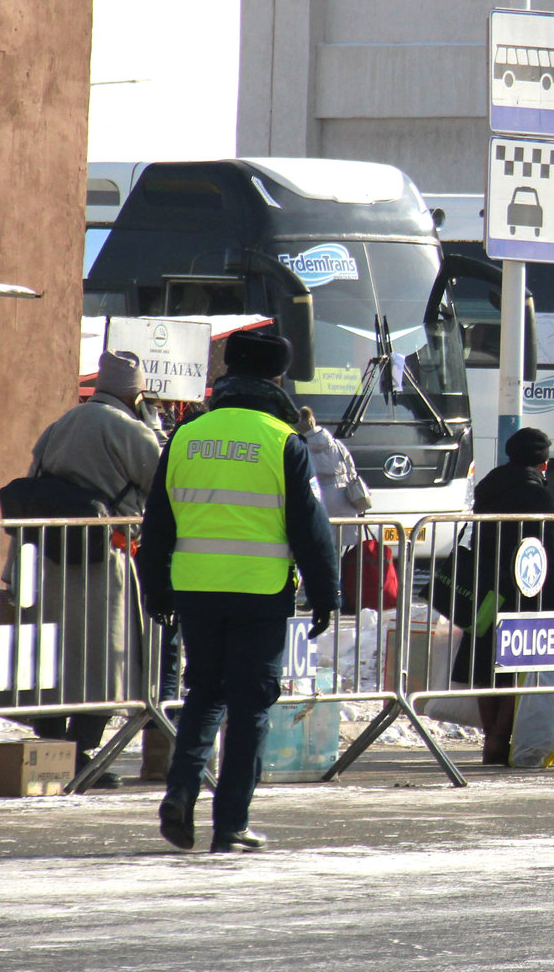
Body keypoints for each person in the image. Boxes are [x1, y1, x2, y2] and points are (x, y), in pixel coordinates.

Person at [139, 328, 339, 852]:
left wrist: (156, 587)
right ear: (276, 379)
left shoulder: (186, 436)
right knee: (250, 705)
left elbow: (157, 523)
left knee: (204, 693)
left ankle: (180, 793)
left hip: (196, 590)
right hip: (259, 591)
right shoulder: (283, 442)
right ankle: (231, 824)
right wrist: (326, 594)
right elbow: (309, 529)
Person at [24, 350, 167, 785]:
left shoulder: (62, 423)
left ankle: (50, 749)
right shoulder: (129, 429)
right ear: (137, 393)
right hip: (106, 560)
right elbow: (162, 482)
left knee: (54, 657)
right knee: (107, 659)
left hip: (51, 557)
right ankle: (84, 753)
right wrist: (155, 429)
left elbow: (33, 477)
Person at [459, 427, 554, 765]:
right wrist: (551, 602)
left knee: (484, 661)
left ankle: (491, 737)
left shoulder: (490, 485)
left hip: (487, 588)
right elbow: (545, 553)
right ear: (544, 463)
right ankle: (499, 741)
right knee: (513, 665)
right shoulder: (536, 494)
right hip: (523, 591)